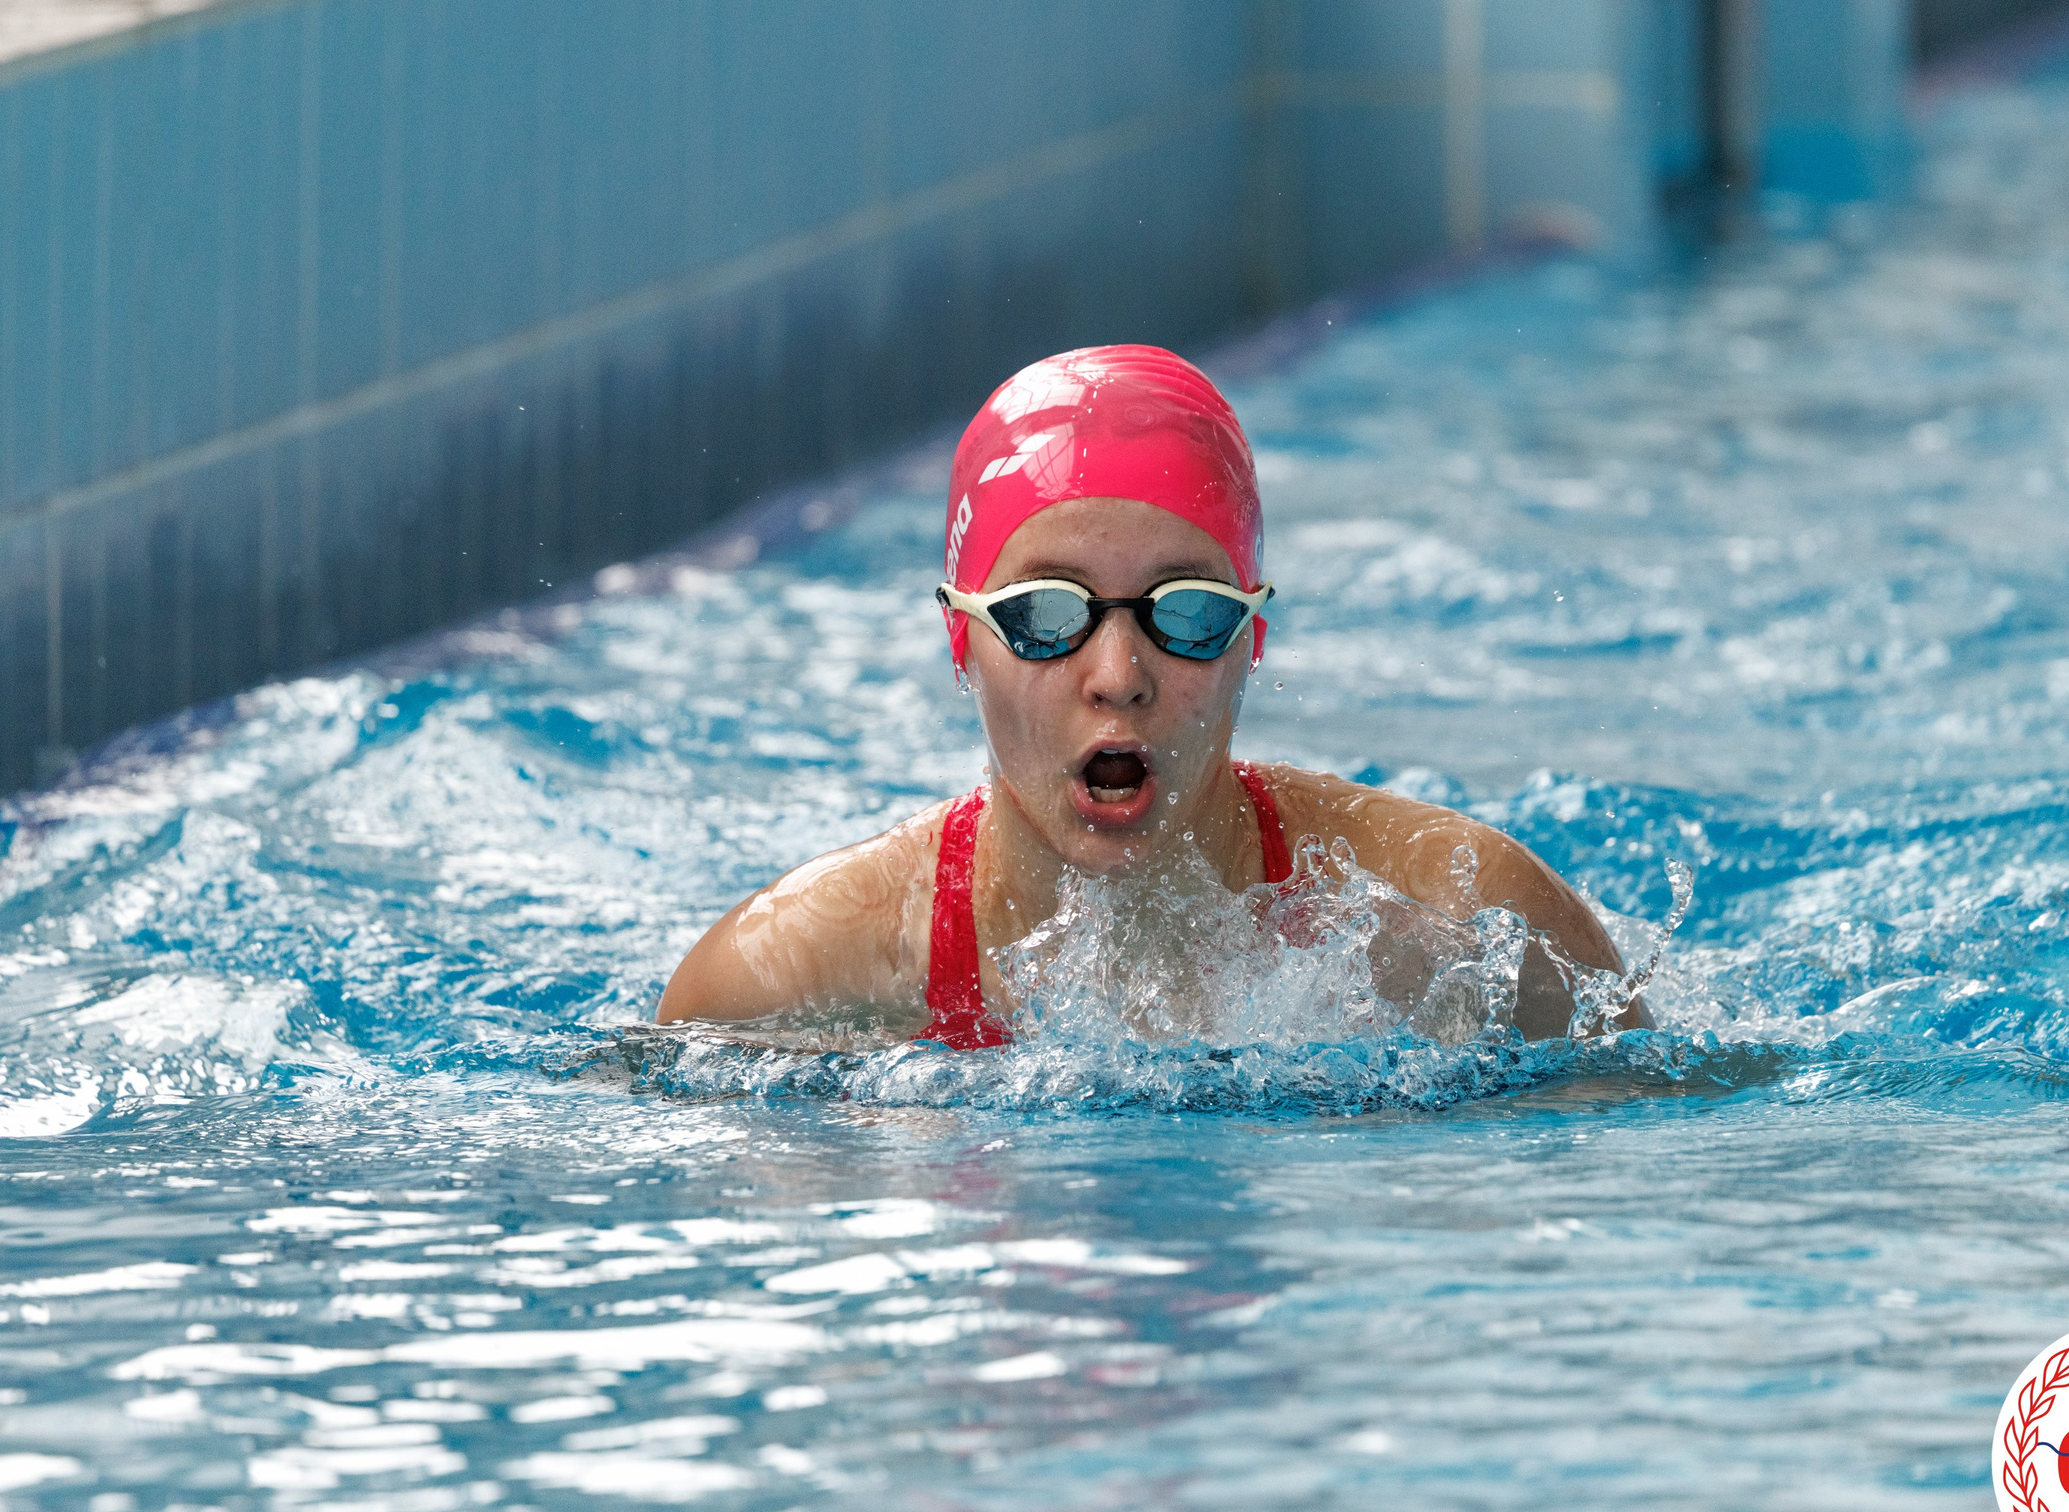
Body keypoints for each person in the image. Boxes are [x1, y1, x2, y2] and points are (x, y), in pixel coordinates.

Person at [657, 344, 1644, 1045]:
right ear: (960, 638)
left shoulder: (1463, 916)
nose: (1119, 675)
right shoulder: (789, 976)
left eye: (1188, 612)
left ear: (1251, 639)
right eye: (1045, 614)